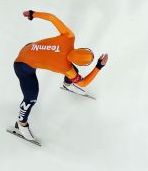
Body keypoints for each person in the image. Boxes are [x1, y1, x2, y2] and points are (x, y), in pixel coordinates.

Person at [11, 10, 108, 144]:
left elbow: (52, 18)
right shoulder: (67, 69)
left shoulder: (69, 36)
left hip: (27, 48)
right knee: (31, 98)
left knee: (73, 71)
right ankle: (21, 124)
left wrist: (33, 14)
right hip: (22, 67)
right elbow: (83, 83)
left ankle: (67, 84)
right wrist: (99, 66)